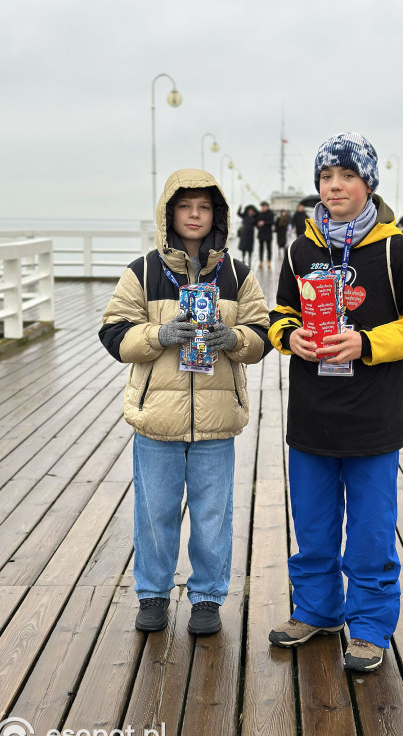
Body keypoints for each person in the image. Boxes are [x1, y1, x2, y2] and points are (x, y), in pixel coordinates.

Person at [268, 132, 403, 672]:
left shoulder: (395, 247)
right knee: (314, 526)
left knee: (369, 531)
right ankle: (318, 609)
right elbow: (279, 314)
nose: (335, 186)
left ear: (368, 183)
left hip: (372, 418)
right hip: (312, 418)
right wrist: (287, 337)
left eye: (347, 176)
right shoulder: (301, 247)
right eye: (326, 177)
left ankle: (368, 627)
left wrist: (367, 344)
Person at [99, 169, 270, 636]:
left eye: (204, 207)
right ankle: (152, 593)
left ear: (217, 215)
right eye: (185, 206)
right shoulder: (142, 271)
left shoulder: (237, 274)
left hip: (217, 421)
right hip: (156, 420)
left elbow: (263, 334)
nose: (194, 215)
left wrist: (233, 338)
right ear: (169, 213)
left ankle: (208, 598)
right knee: (154, 511)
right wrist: (160, 334)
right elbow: (114, 334)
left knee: (213, 515)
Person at [255, 200, 274, 268]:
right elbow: (256, 223)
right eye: (262, 207)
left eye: (264, 206)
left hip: (268, 234)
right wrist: (258, 226)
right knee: (261, 248)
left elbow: (272, 222)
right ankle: (261, 261)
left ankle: (269, 261)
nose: (263, 208)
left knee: (269, 248)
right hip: (261, 234)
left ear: (267, 207)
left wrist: (264, 223)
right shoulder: (259, 214)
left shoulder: (271, 213)